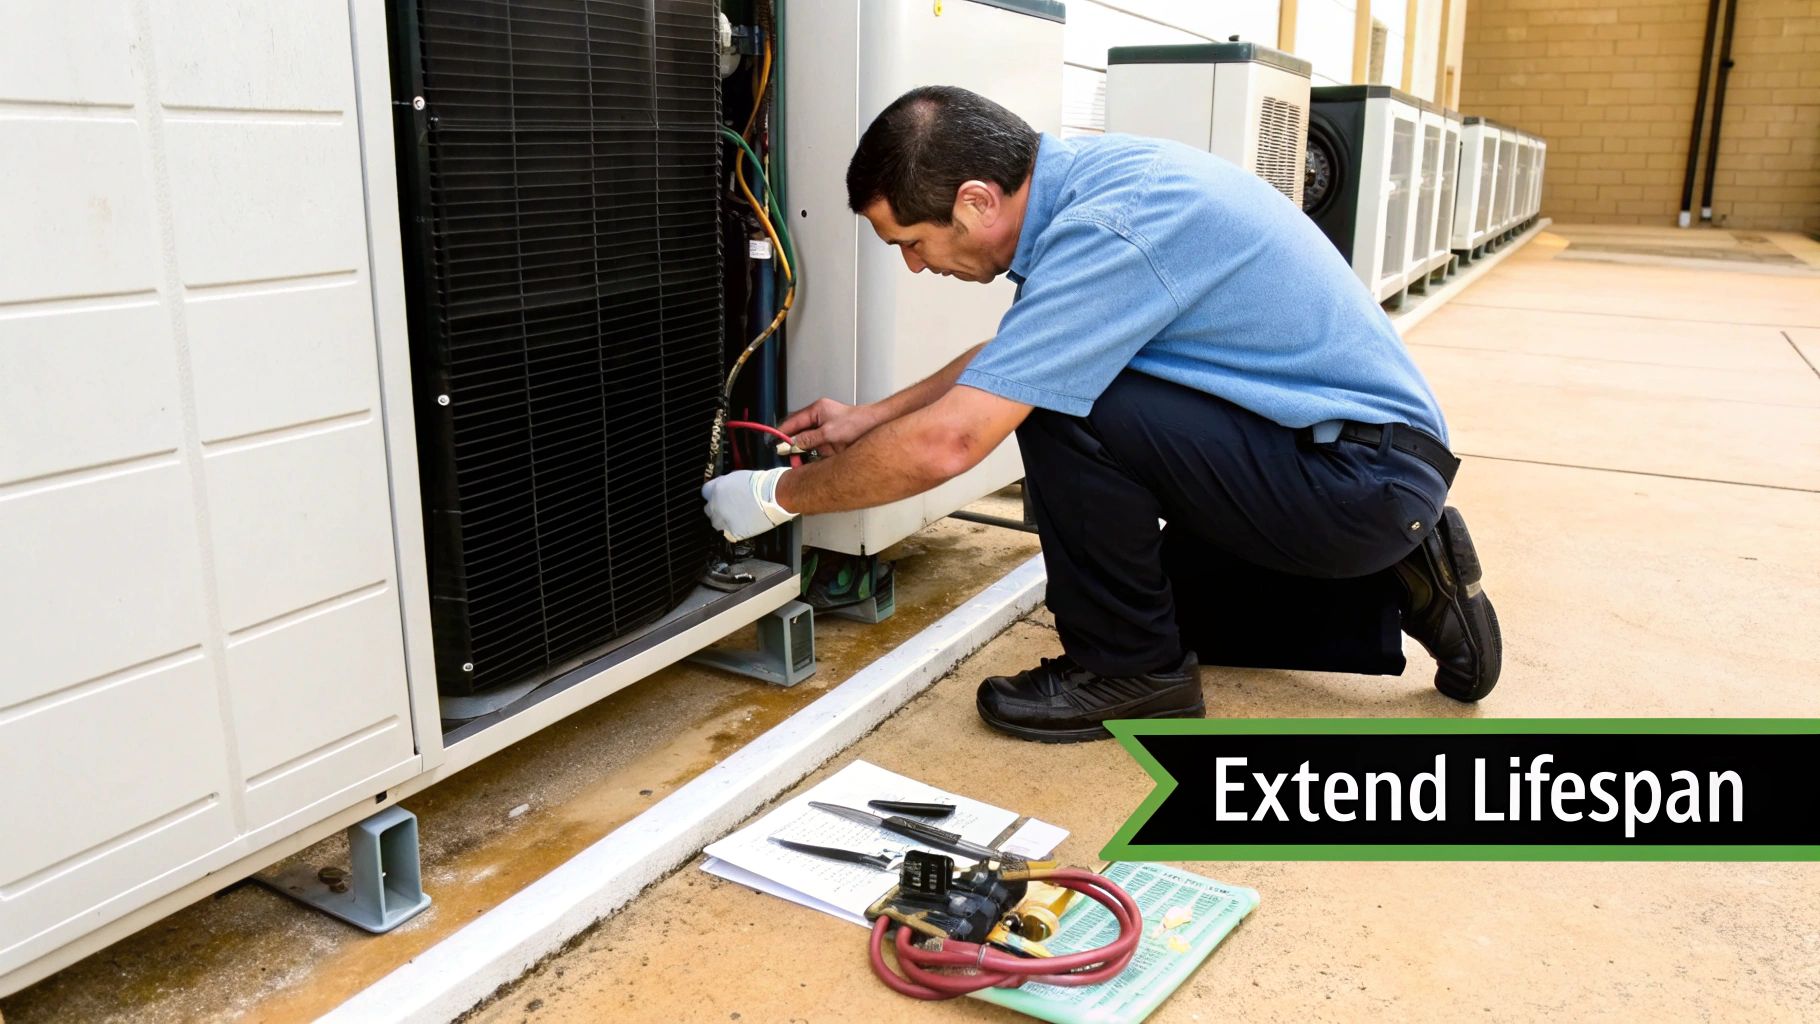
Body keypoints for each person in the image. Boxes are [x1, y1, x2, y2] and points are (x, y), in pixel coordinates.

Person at [702, 85, 1501, 742]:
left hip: (1353, 480)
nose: (913, 264)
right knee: (1182, 600)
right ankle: (1408, 575)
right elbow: (1021, 351)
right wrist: (868, 419)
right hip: (1354, 458)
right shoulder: (1094, 179)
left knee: (1058, 411)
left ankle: (1131, 674)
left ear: (976, 201)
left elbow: (954, 441)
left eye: (910, 240)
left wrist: (772, 499)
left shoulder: (1110, 228)